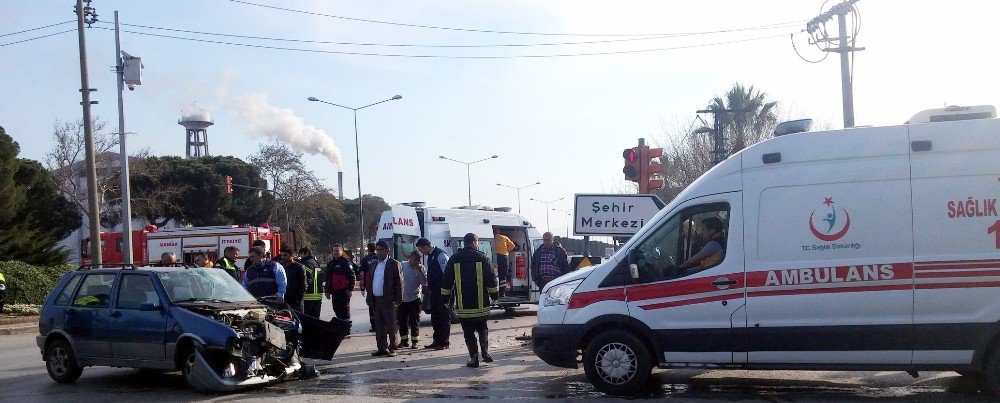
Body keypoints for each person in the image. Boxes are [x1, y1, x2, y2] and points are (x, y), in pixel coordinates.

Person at [441, 233, 499, 368]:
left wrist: (445, 298)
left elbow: (447, 280)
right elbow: (491, 278)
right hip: (481, 304)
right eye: (477, 242)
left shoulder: (454, 258)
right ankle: (485, 351)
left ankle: (474, 358)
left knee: (468, 332)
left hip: (464, 305)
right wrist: (495, 295)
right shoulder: (482, 257)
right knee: (482, 328)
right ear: (474, 242)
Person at [365, 241, 402, 357]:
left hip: (389, 300)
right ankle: (382, 348)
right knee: (379, 326)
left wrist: (398, 299)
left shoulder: (394, 263)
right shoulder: (374, 264)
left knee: (391, 325)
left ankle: (393, 348)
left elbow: (400, 283)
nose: (379, 252)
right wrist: (369, 297)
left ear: (387, 250)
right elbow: (371, 282)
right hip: (376, 300)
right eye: (377, 250)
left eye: (381, 250)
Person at [416, 238, 452, 350]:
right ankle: (437, 341)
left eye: (421, 250)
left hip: (442, 291)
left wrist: (446, 290)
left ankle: (445, 342)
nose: (421, 253)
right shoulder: (430, 256)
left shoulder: (440, 255)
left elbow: (447, 272)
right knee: (435, 317)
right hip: (434, 291)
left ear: (426, 246)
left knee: (443, 316)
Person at [397, 250, 427, 349]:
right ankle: (404, 341)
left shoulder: (421, 268)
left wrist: (420, 271)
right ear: (410, 258)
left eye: (419, 260)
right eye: (415, 259)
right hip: (402, 299)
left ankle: (415, 341)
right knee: (402, 321)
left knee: (415, 321)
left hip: (415, 299)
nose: (417, 262)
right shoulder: (402, 265)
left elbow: (424, 282)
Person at [324, 243, 357, 321]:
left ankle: (347, 329)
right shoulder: (331, 263)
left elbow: (352, 276)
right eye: (334, 251)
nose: (335, 252)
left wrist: (350, 289)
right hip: (335, 292)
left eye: (337, 250)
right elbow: (328, 278)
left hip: (344, 292)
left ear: (342, 251)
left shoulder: (346, 262)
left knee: (345, 311)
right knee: (336, 309)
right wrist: (327, 291)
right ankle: (342, 329)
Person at [358, 243, 379, 332]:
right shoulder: (380, 258)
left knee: (372, 305)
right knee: (381, 305)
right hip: (380, 285)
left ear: (368, 249)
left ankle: (374, 325)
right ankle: (382, 324)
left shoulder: (364, 260)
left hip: (370, 286)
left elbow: (362, 275)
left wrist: (362, 288)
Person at [298, 247, 324, 318]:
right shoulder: (315, 262)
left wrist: (300, 291)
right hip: (318, 294)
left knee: (308, 319)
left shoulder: (306, 264)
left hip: (309, 295)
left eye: (300, 254)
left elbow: (308, 280)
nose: (299, 256)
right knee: (316, 318)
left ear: (306, 253)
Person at [494, 231, 516, 297]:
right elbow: (513, 246)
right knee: (503, 276)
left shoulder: (493, 238)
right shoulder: (504, 237)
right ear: (499, 232)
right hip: (504, 257)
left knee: (495, 275)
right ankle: (502, 293)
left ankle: (495, 292)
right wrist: (507, 250)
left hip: (495, 257)